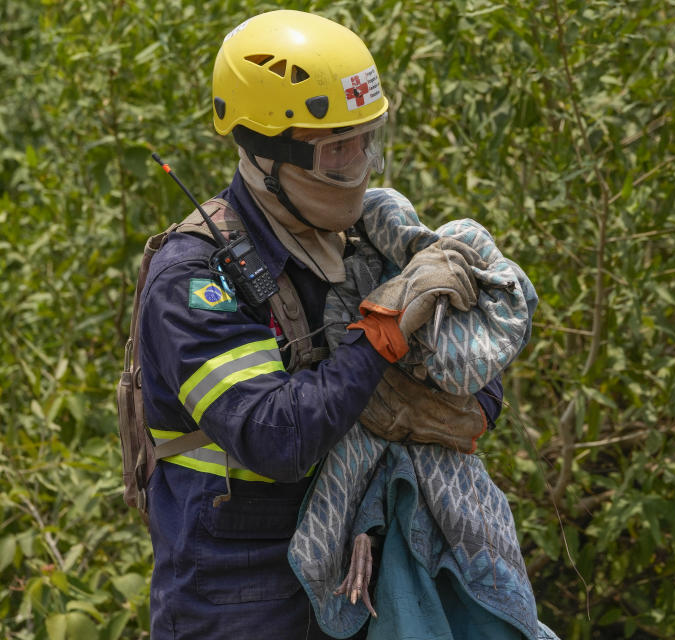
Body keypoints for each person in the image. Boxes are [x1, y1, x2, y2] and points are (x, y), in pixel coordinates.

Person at [138, 10, 503, 639]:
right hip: (239, 594)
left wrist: (449, 403)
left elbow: (479, 375)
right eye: (336, 148)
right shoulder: (195, 279)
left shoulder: (368, 240)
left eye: (367, 139)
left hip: (363, 578)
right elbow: (276, 439)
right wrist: (383, 335)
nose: (359, 164)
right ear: (263, 150)